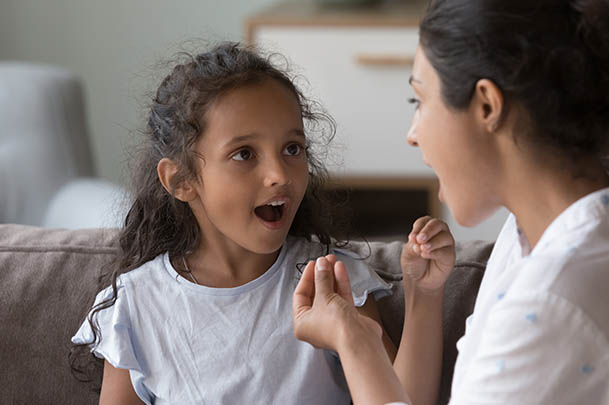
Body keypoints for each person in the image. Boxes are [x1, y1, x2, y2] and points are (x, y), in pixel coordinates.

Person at [292, 0, 609, 404]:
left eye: (419, 101)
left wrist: (355, 341)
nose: (413, 133)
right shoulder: (602, 215)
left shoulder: (551, 304)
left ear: (486, 105)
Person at [69, 42, 396, 404]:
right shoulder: (135, 308)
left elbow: (404, 397)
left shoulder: (333, 282)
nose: (278, 175)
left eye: (292, 149)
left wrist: (426, 297)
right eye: (244, 154)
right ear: (181, 181)